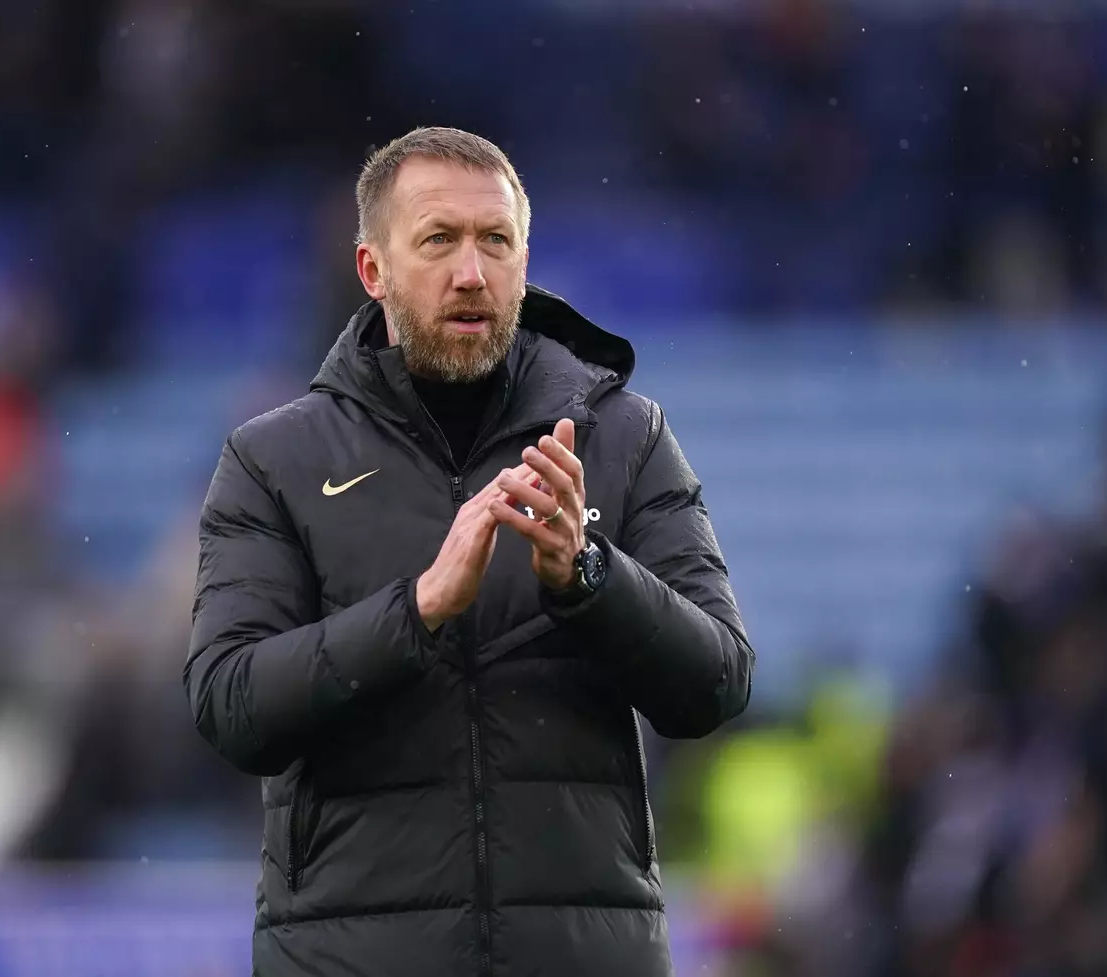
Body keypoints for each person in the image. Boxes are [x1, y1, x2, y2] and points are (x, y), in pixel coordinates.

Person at [185, 126, 756, 977]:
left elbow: (717, 682)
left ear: (526, 262)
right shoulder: (276, 460)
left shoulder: (626, 436)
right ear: (373, 271)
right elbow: (231, 706)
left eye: (496, 241)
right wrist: (413, 612)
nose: (471, 272)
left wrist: (589, 576)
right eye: (438, 240)